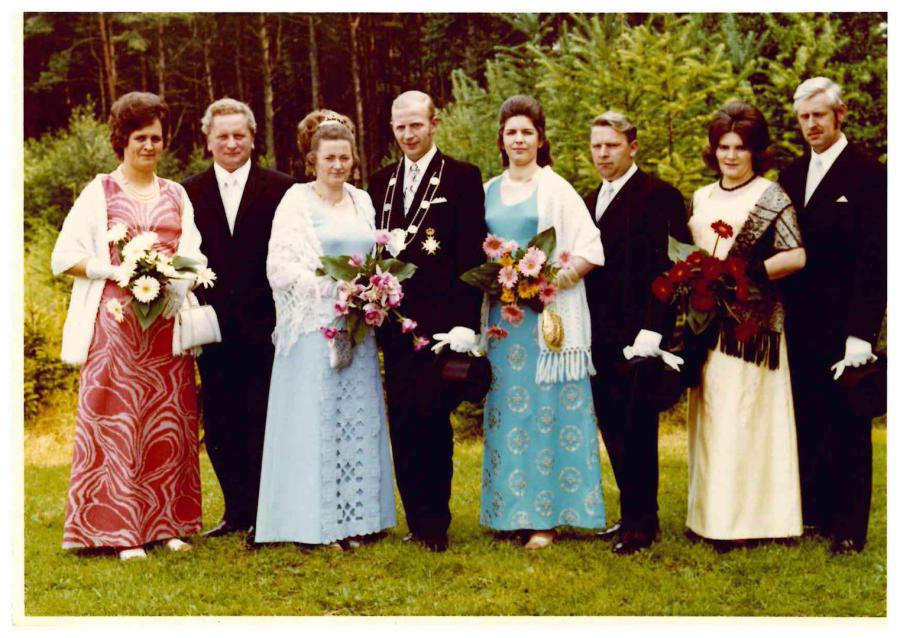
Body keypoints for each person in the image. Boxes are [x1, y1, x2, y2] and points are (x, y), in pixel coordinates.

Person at [51, 91, 205, 560]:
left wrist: (179, 277)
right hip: (116, 325)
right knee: (119, 422)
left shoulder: (176, 193)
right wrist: (115, 270)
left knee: (169, 420)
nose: (149, 146)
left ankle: (168, 524)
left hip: (166, 326)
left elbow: (194, 254)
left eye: (156, 137)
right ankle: (120, 531)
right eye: (140, 138)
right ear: (122, 139)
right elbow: (64, 257)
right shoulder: (100, 191)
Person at [254, 111, 395, 549]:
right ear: (312, 160)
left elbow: (375, 257)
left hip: (357, 328)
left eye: (344, 157)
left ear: (354, 159)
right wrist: (332, 288)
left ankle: (360, 519)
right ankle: (317, 525)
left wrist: (372, 290)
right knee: (318, 422)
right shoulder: (296, 202)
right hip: (314, 329)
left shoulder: (362, 201)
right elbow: (280, 268)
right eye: (329, 158)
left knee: (356, 420)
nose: (337, 165)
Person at [479, 95, 607, 550]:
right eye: (511, 132)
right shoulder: (487, 189)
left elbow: (591, 249)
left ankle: (546, 519)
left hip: (545, 322)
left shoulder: (557, 189)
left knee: (544, 415)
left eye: (527, 132)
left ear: (540, 139)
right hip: (503, 320)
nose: (519, 139)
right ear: (501, 139)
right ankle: (509, 513)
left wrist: (550, 281)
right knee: (507, 414)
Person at [367, 90, 487, 552]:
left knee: (433, 419)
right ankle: (415, 519)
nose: (408, 134)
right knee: (402, 421)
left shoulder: (461, 177)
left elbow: (470, 253)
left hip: (442, 326)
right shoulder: (380, 181)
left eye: (416, 124)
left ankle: (435, 522)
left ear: (434, 123)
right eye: (400, 126)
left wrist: (465, 324)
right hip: (394, 323)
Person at [686, 101, 806, 549]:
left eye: (740, 147)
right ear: (713, 150)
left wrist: (744, 275)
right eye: (724, 147)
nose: (731, 155)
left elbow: (796, 255)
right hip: (707, 322)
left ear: (756, 151)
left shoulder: (771, 195)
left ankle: (759, 521)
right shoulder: (701, 197)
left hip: (752, 326)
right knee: (713, 417)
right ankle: (711, 518)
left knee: (749, 418)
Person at [779, 78, 887, 555]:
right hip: (798, 321)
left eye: (819, 115)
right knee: (808, 415)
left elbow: (876, 258)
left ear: (840, 114)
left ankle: (848, 528)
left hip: (846, 325)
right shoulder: (790, 174)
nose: (811, 125)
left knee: (848, 424)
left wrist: (861, 333)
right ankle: (816, 514)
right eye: (804, 117)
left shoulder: (870, 174)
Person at [182, 98, 296, 541]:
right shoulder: (187, 192)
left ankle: (267, 512)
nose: (231, 143)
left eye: (239, 135)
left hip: (267, 323)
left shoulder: (282, 188)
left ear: (252, 137)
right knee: (221, 421)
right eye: (222, 136)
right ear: (208, 140)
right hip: (212, 324)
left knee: (264, 416)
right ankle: (235, 510)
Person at [582, 111, 690, 555]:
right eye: (596, 146)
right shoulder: (589, 200)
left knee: (638, 427)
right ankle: (632, 515)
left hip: (641, 333)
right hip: (598, 333)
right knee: (611, 423)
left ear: (633, 146)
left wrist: (654, 330)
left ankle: (642, 526)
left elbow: (673, 267)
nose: (603, 153)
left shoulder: (660, 195)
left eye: (611, 145)